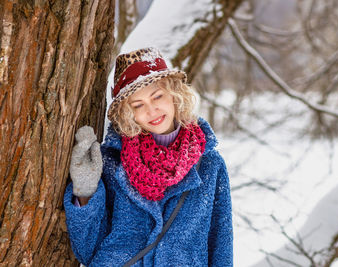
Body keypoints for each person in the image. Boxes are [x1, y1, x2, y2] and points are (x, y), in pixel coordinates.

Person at [63, 47, 233, 266]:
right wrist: (85, 193)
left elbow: (221, 244)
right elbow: (88, 251)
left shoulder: (209, 165)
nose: (152, 110)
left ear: (175, 94)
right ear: (127, 113)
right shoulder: (111, 162)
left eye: (157, 96)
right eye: (138, 105)